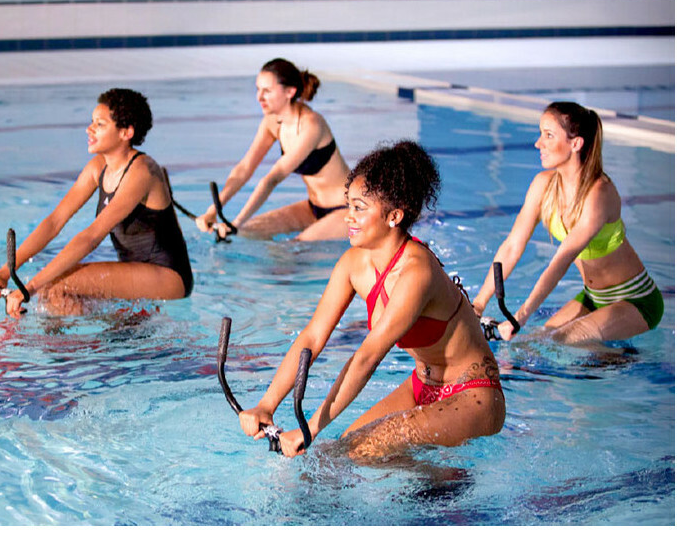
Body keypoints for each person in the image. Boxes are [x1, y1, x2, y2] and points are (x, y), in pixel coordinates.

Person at [238, 141, 505, 461]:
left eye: (359, 208)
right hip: (421, 386)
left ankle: (447, 484)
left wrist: (310, 428)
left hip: (473, 394)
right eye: (348, 205)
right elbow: (312, 337)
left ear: (394, 216)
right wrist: (267, 405)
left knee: (355, 454)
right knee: (339, 451)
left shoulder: (416, 271)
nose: (348, 217)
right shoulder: (353, 264)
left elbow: (367, 356)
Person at [0, 88, 193, 318]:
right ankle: (89, 334)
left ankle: (83, 339)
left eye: (100, 124)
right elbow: (54, 222)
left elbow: (91, 237)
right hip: (134, 270)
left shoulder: (142, 172)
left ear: (126, 132)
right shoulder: (97, 167)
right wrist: (5, 272)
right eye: (92, 122)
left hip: (168, 276)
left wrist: (30, 287)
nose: (89, 129)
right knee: (52, 290)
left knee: (54, 287)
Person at [472, 102, 663, 344]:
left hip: (635, 300)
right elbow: (512, 246)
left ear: (576, 144)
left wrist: (520, 317)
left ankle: (622, 359)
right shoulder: (543, 185)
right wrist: (478, 304)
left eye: (548, 135)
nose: (538, 143)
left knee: (557, 342)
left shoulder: (599, 194)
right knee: (537, 342)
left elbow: (561, 261)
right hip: (592, 297)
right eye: (541, 134)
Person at [195, 58, 351, 241]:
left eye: (267, 91)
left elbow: (272, 179)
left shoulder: (311, 124)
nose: (259, 97)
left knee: (293, 249)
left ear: (290, 92)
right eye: (258, 89)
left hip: (346, 209)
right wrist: (213, 210)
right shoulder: (272, 122)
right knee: (248, 233)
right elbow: (244, 168)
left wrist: (235, 223)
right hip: (312, 208)